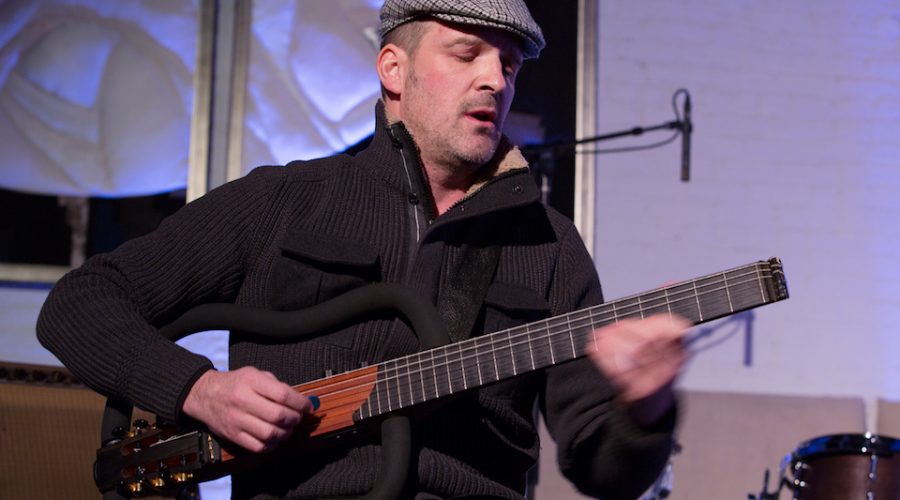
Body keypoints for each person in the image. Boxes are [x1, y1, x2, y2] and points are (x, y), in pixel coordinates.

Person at [37, 0, 689, 498]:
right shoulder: (284, 201)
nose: (496, 78)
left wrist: (647, 406)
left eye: (509, 65)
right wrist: (197, 389)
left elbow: (605, 472)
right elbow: (79, 304)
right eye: (467, 54)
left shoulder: (549, 244)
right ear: (393, 69)